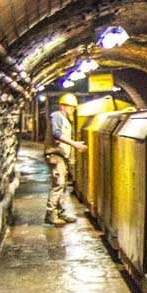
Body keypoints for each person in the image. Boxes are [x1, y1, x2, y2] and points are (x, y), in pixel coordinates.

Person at [46, 95, 86, 225]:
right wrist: (74, 144)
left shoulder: (66, 119)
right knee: (58, 184)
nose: (73, 110)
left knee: (62, 185)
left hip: (62, 156)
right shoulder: (57, 116)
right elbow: (56, 133)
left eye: (74, 108)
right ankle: (51, 215)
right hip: (55, 155)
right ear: (63, 106)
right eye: (71, 107)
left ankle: (60, 213)